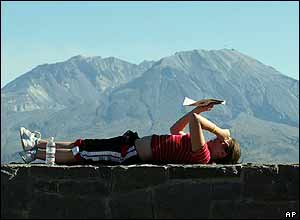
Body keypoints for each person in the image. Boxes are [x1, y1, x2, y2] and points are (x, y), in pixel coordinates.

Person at [19, 103, 241, 165]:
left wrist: (221, 130)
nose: (218, 140)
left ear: (222, 155)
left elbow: (195, 122)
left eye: (223, 144)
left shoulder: (203, 156)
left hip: (129, 154)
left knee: (81, 154)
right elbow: (175, 130)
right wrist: (197, 110)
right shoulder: (196, 146)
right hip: (131, 143)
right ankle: (38, 143)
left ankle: (35, 155)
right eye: (221, 139)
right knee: (84, 144)